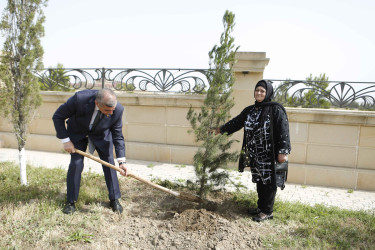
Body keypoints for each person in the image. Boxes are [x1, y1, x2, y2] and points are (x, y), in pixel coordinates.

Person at [214, 80, 291, 222]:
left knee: (269, 182)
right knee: (260, 181)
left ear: (268, 92)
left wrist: (283, 151)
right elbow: (236, 122)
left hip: (270, 154)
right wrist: (221, 129)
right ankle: (261, 207)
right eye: (257, 90)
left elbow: (283, 129)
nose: (259, 93)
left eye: (262, 91)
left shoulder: (276, 109)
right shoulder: (250, 110)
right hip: (256, 153)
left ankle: (267, 211)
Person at [52, 88, 128, 214]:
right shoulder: (79, 99)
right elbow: (58, 116)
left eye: (112, 110)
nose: (110, 113)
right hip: (78, 132)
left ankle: (114, 199)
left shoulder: (117, 109)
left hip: (101, 134)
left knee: (109, 163)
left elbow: (118, 135)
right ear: (97, 104)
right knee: (76, 164)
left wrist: (122, 161)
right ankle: (71, 202)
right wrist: (66, 141)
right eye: (107, 110)